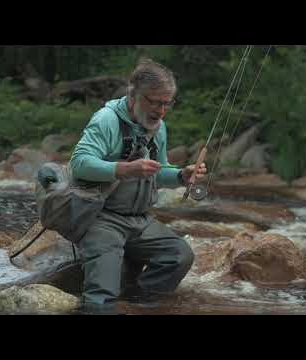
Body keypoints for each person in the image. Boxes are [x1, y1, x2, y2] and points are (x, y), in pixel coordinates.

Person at [70, 58, 206, 310]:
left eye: (166, 103)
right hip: (102, 218)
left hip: (140, 221)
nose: (161, 110)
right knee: (101, 298)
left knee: (179, 256)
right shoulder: (106, 120)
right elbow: (79, 163)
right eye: (154, 102)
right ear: (133, 95)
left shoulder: (159, 127)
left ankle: (137, 304)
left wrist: (181, 176)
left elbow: (158, 171)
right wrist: (123, 169)